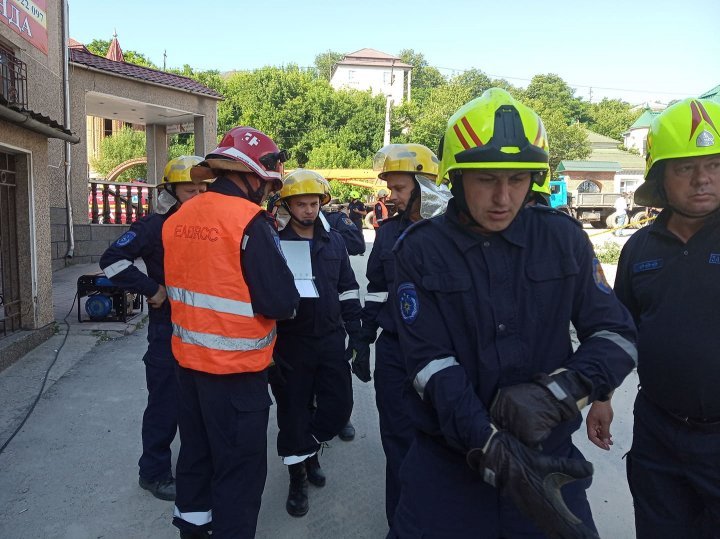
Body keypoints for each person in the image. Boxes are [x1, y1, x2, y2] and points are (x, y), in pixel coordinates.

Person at [388, 88, 638, 538]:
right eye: (487, 179)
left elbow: (616, 335)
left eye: (518, 178)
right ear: (456, 179)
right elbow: (429, 364)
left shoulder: (562, 239)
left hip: (547, 462)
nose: (503, 197)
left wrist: (558, 394)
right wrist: (486, 442)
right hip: (448, 468)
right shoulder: (421, 250)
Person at [586, 97, 720, 539]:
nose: (703, 179)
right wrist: (601, 394)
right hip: (658, 433)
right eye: (685, 167)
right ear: (661, 177)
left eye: (715, 164)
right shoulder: (639, 249)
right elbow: (620, 331)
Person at [163, 127, 299, 539]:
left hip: (188, 368)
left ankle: (192, 531)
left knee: (195, 459)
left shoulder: (181, 216)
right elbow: (280, 302)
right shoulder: (249, 222)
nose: (267, 192)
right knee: (238, 473)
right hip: (237, 375)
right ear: (252, 175)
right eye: (268, 183)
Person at [347, 143, 450, 526]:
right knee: (399, 443)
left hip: (443, 355)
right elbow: (376, 287)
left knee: (443, 444)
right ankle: (403, 526)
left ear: (426, 186)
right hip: (395, 354)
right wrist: (362, 335)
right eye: (390, 188)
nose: (391, 197)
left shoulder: (452, 234)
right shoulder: (388, 234)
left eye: (399, 188)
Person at [99, 156, 205, 502]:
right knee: (165, 403)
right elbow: (112, 261)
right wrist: (151, 289)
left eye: (204, 187)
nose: (199, 193)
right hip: (167, 332)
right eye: (191, 188)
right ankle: (154, 473)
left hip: (205, 330)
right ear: (171, 191)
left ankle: (198, 465)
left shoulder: (211, 224)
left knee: (200, 405)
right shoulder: (154, 226)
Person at [269, 169, 362, 517]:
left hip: (330, 339)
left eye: (314, 203)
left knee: (337, 406)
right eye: (300, 204)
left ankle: (309, 449)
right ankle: (298, 477)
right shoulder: (275, 243)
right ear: (288, 205)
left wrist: (357, 331)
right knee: (293, 413)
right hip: (291, 344)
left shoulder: (334, 241)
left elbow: (348, 287)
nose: (308, 210)